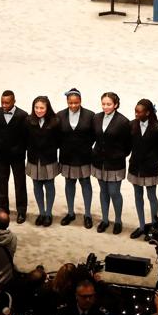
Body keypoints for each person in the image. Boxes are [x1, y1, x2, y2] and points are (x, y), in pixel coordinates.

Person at [124, 99, 158, 240]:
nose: (136, 114)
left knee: (151, 196)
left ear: (147, 112)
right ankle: (141, 226)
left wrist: (155, 164)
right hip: (135, 167)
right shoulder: (132, 125)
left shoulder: (157, 128)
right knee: (137, 195)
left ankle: (154, 227)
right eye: (135, 111)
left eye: (139, 112)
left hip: (150, 168)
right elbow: (128, 145)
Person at [92, 92, 130, 235]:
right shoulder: (96, 118)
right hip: (99, 162)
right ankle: (105, 220)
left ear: (115, 105)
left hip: (115, 163)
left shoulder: (123, 121)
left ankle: (118, 221)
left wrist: (118, 155)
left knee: (114, 192)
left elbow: (128, 145)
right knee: (103, 191)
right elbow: (94, 137)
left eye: (109, 104)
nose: (105, 107)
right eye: (103, 104)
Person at [57, 89, 96, 228]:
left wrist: (84, 146)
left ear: (81, 101)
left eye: (76, 102)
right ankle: (70, 212)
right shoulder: (60, 115)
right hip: (67, 156)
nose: (73, 105)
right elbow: (57, 136)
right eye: (70, 103)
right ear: (67, 102)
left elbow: (94, 135)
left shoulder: (90, 115)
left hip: (84, 156)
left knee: (85, 182)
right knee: (69, 183)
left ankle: (88, 214)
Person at [25, 95, 60, 226]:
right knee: (37, 186)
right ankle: (41, 212)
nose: (39, 110)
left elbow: (58, 140)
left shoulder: (55, 121)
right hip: (34, 159)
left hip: (49, 158)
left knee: (49, 186)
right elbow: (25, 138)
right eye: (36, 107)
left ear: (47, 108)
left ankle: (48, 213)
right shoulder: (28, 120)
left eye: (42, 108)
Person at [0, 90, 28, 221]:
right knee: (2, 183)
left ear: (14, 101)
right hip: (2, 155)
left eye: (7, 102)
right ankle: (3, 208)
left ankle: (21, 211)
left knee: (19, 184)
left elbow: (25, 137)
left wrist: (19, 150)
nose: (4, 105)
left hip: (17, 156)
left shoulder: (22, 115)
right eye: (2, 102)